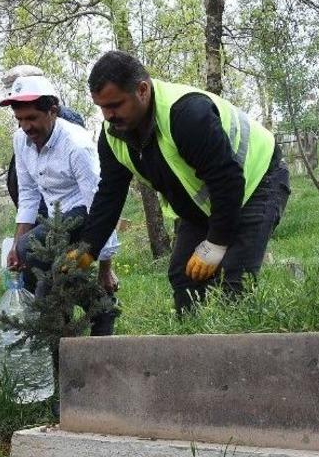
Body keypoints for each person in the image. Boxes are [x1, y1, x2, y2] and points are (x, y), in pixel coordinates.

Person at [73, 50, 290, 314]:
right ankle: (194, 345)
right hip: (209, 201)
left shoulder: (186, 114)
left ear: (142, 90)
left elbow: (227, 180)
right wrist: (89, 248)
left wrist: (215, 243)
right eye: (102, 108)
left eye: (115, 105)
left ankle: (238, 344)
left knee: (235, 279)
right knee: (183, 276)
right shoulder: (114, 136)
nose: (108, 116)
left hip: (259, 179)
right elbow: (109, 195)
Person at [2, 74, 119, 336]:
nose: (25, 127)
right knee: (46, 287)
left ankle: (92, 308)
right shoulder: (20, 140)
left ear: (53, 110)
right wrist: (16, 244)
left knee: (33, 253)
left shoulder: (76, 145)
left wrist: (105, 269)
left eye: (32, 118)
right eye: (20, 119)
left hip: (84, 214)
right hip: (53, 216)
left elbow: (100, 206)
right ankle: (95, 314)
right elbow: (29, 194)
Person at [2, 65, 86, 212]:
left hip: (65, 214)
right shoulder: (22, 133)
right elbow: (27, 186)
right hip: (41, 211)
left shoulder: (70, 133)